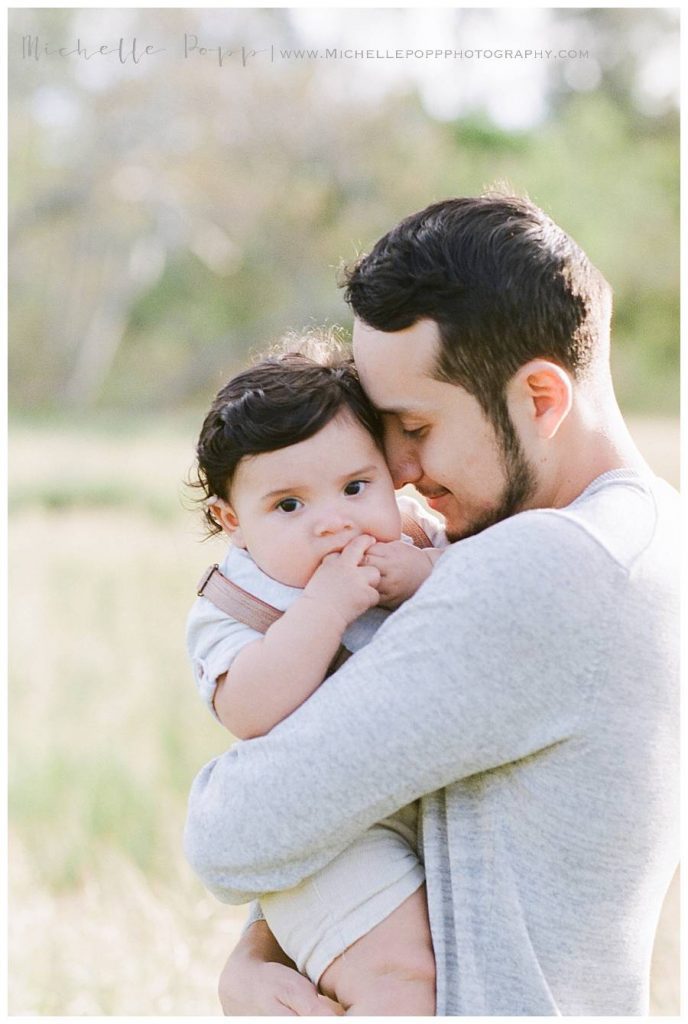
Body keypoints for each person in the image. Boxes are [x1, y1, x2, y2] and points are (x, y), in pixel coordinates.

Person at [184, 192, 680, 1016]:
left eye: (415, 426)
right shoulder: (650, 532)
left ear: (542, 399)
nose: (401, 470)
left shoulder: (547, 566)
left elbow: (230, 837)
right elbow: (415, 780)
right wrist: (265, 952)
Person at [186, 342, 448, 1014]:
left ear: (394, 478)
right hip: (336, 841)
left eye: (356, 488)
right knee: (402, 978)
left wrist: (423, 580)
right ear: (232, 522)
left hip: (424, 812)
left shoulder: (421, 540)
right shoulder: (235, 603)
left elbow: (479, 605)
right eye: (289, 506)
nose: (333, 521)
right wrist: (325, 608)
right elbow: (248, 708)